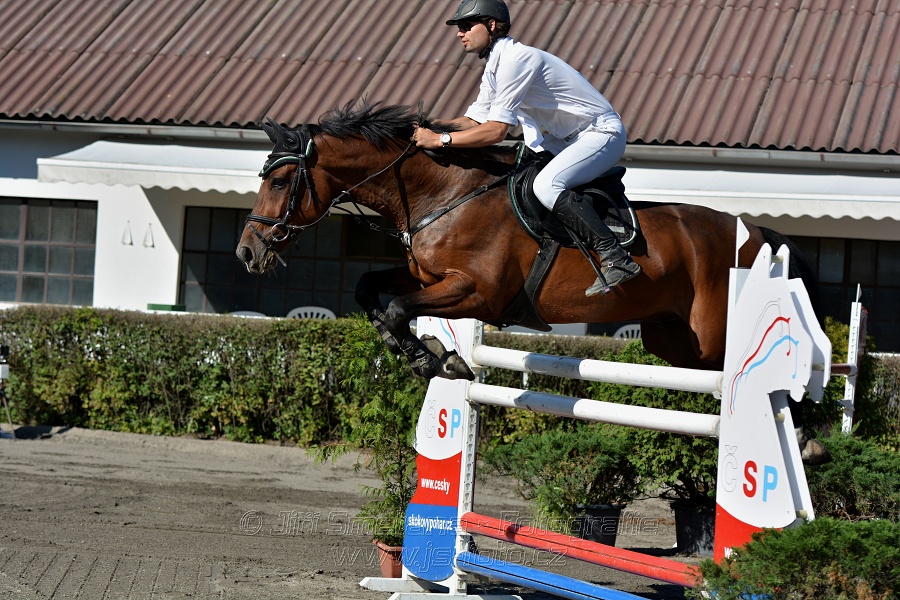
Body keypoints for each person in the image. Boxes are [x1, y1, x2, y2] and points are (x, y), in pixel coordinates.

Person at [413, 0, 640, 295]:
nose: (460, 33)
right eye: (459, 27)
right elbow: (473, 121)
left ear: (492, 25)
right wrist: (433, 126)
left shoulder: (516, 61)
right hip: (566, 140)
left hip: (600, 133)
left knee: (546, 186)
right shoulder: (496, 65)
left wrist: (440, 140)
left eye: (467, 26)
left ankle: (615, 257)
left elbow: (495, 131)